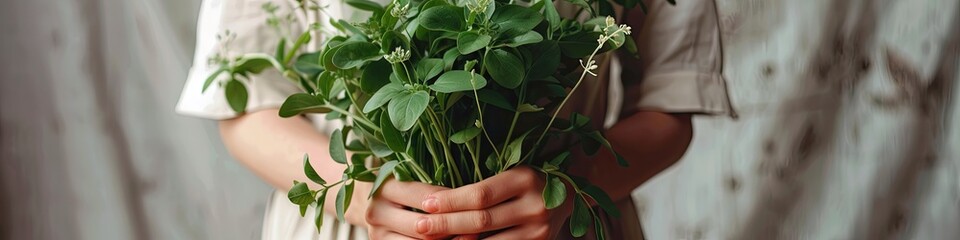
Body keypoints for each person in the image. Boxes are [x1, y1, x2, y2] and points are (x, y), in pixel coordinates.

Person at [175, 0, 730, 239]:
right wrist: (363, 192)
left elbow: (669, 105)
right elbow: (247, 105)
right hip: (355, 227)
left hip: (560, 229)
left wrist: (568, 188)